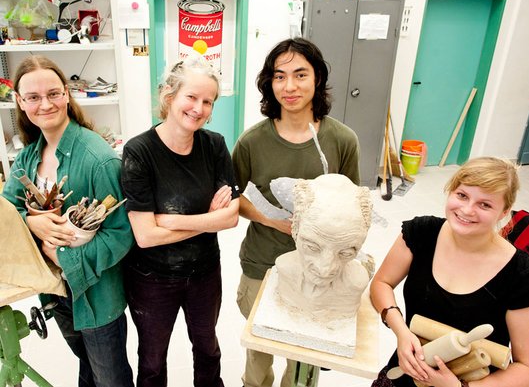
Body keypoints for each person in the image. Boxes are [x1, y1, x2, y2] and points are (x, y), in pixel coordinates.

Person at [232, 37, 361, 387]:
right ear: (269, 83)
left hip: (322, 271)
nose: (289, 86)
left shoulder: (342, 140)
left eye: (300, 75)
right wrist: (270, 219)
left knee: (304, 361)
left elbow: (352, 203)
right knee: (259, 353)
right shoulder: (252, 141)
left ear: (318, 78)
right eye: (279, 76)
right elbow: (232, 198)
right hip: (263, 263)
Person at [2, 55, 134, 387]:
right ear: (20, 101)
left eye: (53, 94)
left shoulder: (98, 159)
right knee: (87, 367)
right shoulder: (30, 155)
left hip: (95, 295)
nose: (45, 104)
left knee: (111, 379)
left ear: (66, 94)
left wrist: (63, 257)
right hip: (56, 291)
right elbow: (7, 210)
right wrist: (31, 222)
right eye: (33, 97)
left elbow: (120, 235)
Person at [120, 55, 239, 387]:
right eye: (191, 97)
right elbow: (145, 236)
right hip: (152, 278)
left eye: (208, 101)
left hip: (204, 273)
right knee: (152, 360)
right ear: (169, 96)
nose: (199, 108)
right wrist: (209, 220)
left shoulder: (214, 145)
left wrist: (171, 222)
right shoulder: (139, 152)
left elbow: (231, 218)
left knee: (208, 349)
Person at [370, 157, 529, 387]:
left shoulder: (521, 274)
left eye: (485, 205)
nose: (467, 210)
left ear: (504, 212)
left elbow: (528, 368)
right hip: (406, 370)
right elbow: (381, 283)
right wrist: (401, 332)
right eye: (462, 195)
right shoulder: (421, 233)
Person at [276, 173, 373, 320]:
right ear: (295, 230)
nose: (325, 270)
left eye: (345, 253)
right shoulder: (284, 268)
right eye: (312, 248)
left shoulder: (355, 284)